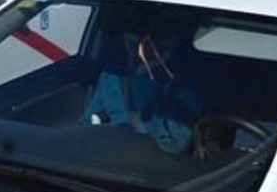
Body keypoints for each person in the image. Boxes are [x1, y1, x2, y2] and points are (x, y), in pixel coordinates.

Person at [82, 22, 200, 154]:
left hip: (144, 166)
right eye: (134, 30)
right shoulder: (112, 74)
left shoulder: (186, 86)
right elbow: (86, 125)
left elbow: (175, 146)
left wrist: (145, 81)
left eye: (159, 35)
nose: (140, 39)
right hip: (106, 159)